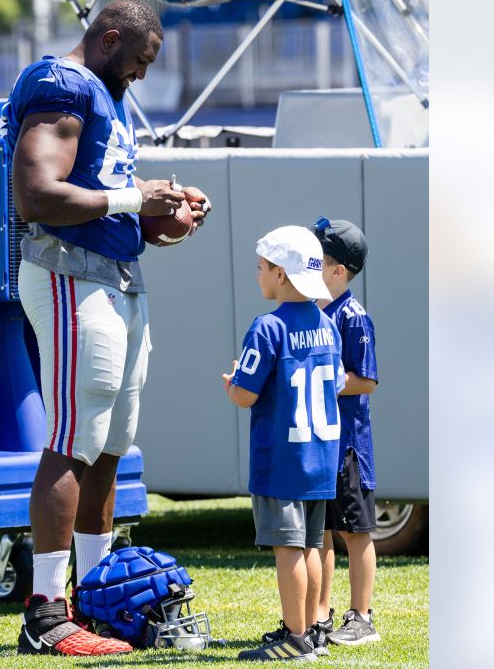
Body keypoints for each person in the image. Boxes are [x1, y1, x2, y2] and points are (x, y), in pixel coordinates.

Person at [3, 0, 211, 657]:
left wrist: (167, 216)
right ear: (109, 38)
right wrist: (133, 198)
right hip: (69, 276)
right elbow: (36, 192)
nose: (143, 76)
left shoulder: (102, 93)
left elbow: (112, 205)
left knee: (111, 443)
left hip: (115, 276)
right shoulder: (61, 83)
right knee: (74, 438)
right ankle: (45, 612)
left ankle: (93, 599)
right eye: (140, 61)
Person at [223, 226, 343, 662]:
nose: (257, 275)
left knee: (288, 548)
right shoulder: (328, 324)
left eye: (261, 267)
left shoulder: (268, 326)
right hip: (320, 458)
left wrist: (233, 383)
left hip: (283, 458)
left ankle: (295, 638)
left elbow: (245, 394)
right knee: (311, 545)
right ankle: (311, 631)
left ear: (280, 274)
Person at [310, 217, 381, 648]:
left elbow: (367, 380)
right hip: (322, 443)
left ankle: (362, 617)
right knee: (322, 530)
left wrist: (327, 380)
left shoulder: (353, 317)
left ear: (339, 271)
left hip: (348, 446)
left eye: (318, 261)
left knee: (354, 531)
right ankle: (320, 614)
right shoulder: (316, 311)